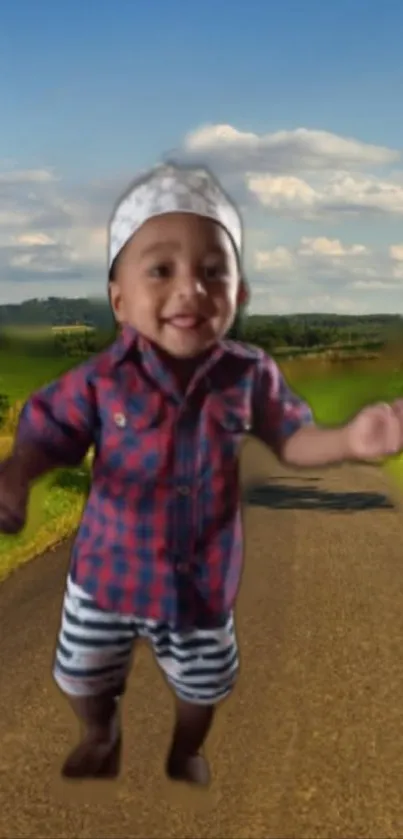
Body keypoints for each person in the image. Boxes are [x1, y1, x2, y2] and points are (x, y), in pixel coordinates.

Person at [0, 162, 402, 786]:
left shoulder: (248, 375)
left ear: (238, 294)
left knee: (204, 685)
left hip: (199, 588)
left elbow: (294, 441)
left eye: (213, 271)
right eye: (161, 270)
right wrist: (15, 475)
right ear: (119, 299)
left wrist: (351, 437)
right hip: (105, 579)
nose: (191, 289)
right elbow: (49, 431)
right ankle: (99, 732)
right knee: (83, 674)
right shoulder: (101, 381)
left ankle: (185, 747)